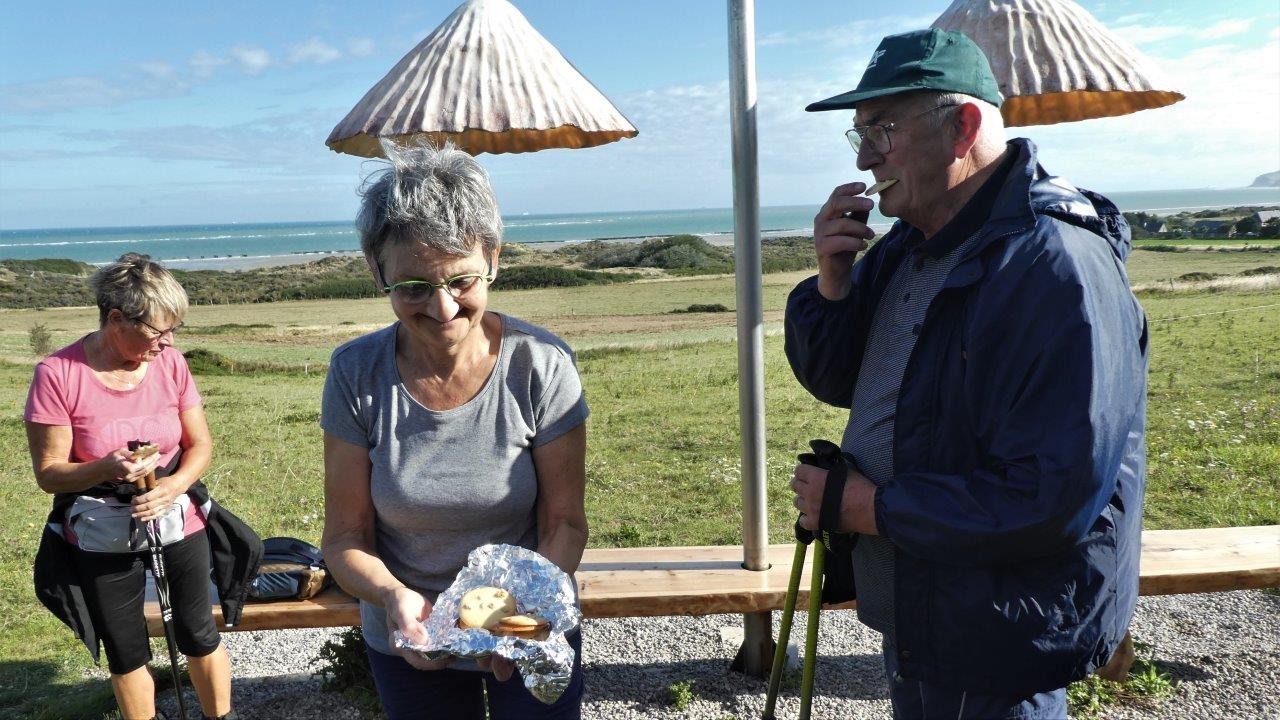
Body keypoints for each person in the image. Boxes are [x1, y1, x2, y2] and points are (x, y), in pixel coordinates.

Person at [785, 29, 1148, 719]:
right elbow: (840, 381)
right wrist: (832, 286)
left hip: (996, 632)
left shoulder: (1053, 270)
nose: (864, 155)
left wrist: (868, 508)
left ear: (964, 126)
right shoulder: (915, 248)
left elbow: (1052, 494)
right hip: (925, 609)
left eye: (882, 129)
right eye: (858, 134)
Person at [321, 142, 589, 720]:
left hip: (529, 616)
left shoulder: (540, 365)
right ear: (377, 271)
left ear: (493, 257)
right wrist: (395, 599)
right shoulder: (355, 372)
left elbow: (563, 523)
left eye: (461, 281)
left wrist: (523, 615)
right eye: (413, 286)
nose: (442, 309)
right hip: (405, 632)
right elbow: (344, 539)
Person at [26, 253, 248, 720]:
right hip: (101, 527)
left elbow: (200, 444)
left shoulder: (171, 365)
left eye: (174, 331)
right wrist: (104, 467)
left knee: (199, 634)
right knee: (126, 651)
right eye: (156, 332)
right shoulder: (58, 374)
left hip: (175, 514)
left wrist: (176, 487)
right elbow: (49, 474)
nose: (167, 343)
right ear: (115, 318)